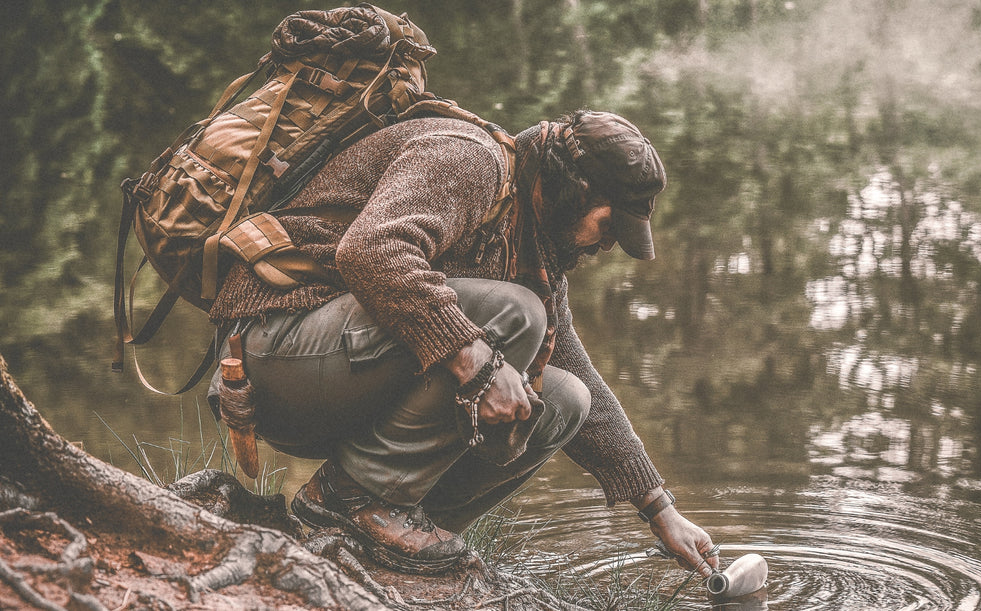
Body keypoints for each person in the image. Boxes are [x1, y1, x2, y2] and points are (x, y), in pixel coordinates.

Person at [208, 109, 720, 576]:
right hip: (276, 350)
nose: (609, 244)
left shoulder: (533, 245)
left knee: (566, 400)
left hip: (342, 371)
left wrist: (660, 508)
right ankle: (352, 499)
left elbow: (575, 369)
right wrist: (476, 359)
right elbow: (370, 252)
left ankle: (391, 531)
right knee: (517, 315)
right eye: (609, 224)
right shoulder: (467, 159)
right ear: (576, 189)